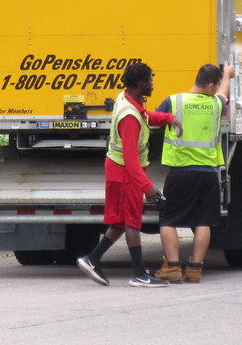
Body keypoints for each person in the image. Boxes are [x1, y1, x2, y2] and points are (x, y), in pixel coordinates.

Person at [77, 62, 181, 287]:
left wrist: (167, 118)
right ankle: (139, 274)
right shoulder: (130, 118)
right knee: (132, 222)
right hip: (126, 174)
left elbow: (146, 117)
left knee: (121, 222)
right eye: (150, 80)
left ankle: (92, 259)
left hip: (119, 170)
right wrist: (148, 187)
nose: (152, 84)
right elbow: (131, 158)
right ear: (142, 83)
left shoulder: (126, 100)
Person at [154, 62, 234, 283]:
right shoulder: (216, 104)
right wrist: (228, 75)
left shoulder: (173, 101)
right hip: (207, 172)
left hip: (181, 171)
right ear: (210, 86)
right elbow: (224, 93)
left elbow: (154, 119)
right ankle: (195, 269)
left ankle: (172, 267)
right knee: (203, 221)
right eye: (216, 85)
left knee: (168, 219)